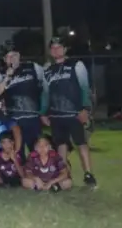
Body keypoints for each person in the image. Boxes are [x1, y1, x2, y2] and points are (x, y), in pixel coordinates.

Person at [41, 38, 98, 188]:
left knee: (81, 143)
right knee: (61, 145)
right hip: (56, 115)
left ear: (65, 49)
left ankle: (89, 174)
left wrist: (85, 109)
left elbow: (85, 88)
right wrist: (43, 113)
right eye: (53, 48)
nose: (56, 50)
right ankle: (63, 175)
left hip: (75, 113)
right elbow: (46, 94)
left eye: (59, 47)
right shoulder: (47, 70)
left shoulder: (76, 65)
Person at [0, 48, 45, 155]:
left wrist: (44, 110)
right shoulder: (1, 73)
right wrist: (8, 76)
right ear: (4, 59)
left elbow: (46, 86)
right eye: (9, 56)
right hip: (14, 119)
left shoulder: (33, 67)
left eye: (15, 55)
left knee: (37, 150)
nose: (12, 58)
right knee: (18, 152)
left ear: (19, 56)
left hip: (32, 116)